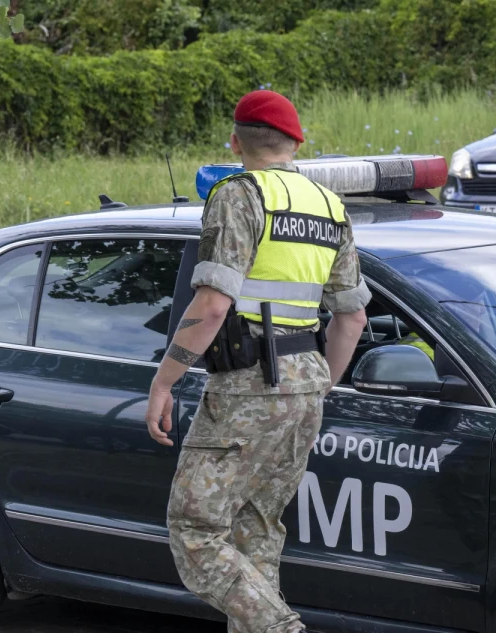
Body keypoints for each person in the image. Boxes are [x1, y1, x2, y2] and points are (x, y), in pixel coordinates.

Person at [144, 89, 370, 633]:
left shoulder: (238, 195)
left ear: (234, 139)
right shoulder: (329, 206)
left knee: (194, 531)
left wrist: (164, 380)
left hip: (247, 387)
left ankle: (280, 627)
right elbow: (352, 320)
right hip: (305, 389)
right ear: (297, 142)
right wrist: (318, 386)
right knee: (258, 531)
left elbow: (214, 303)